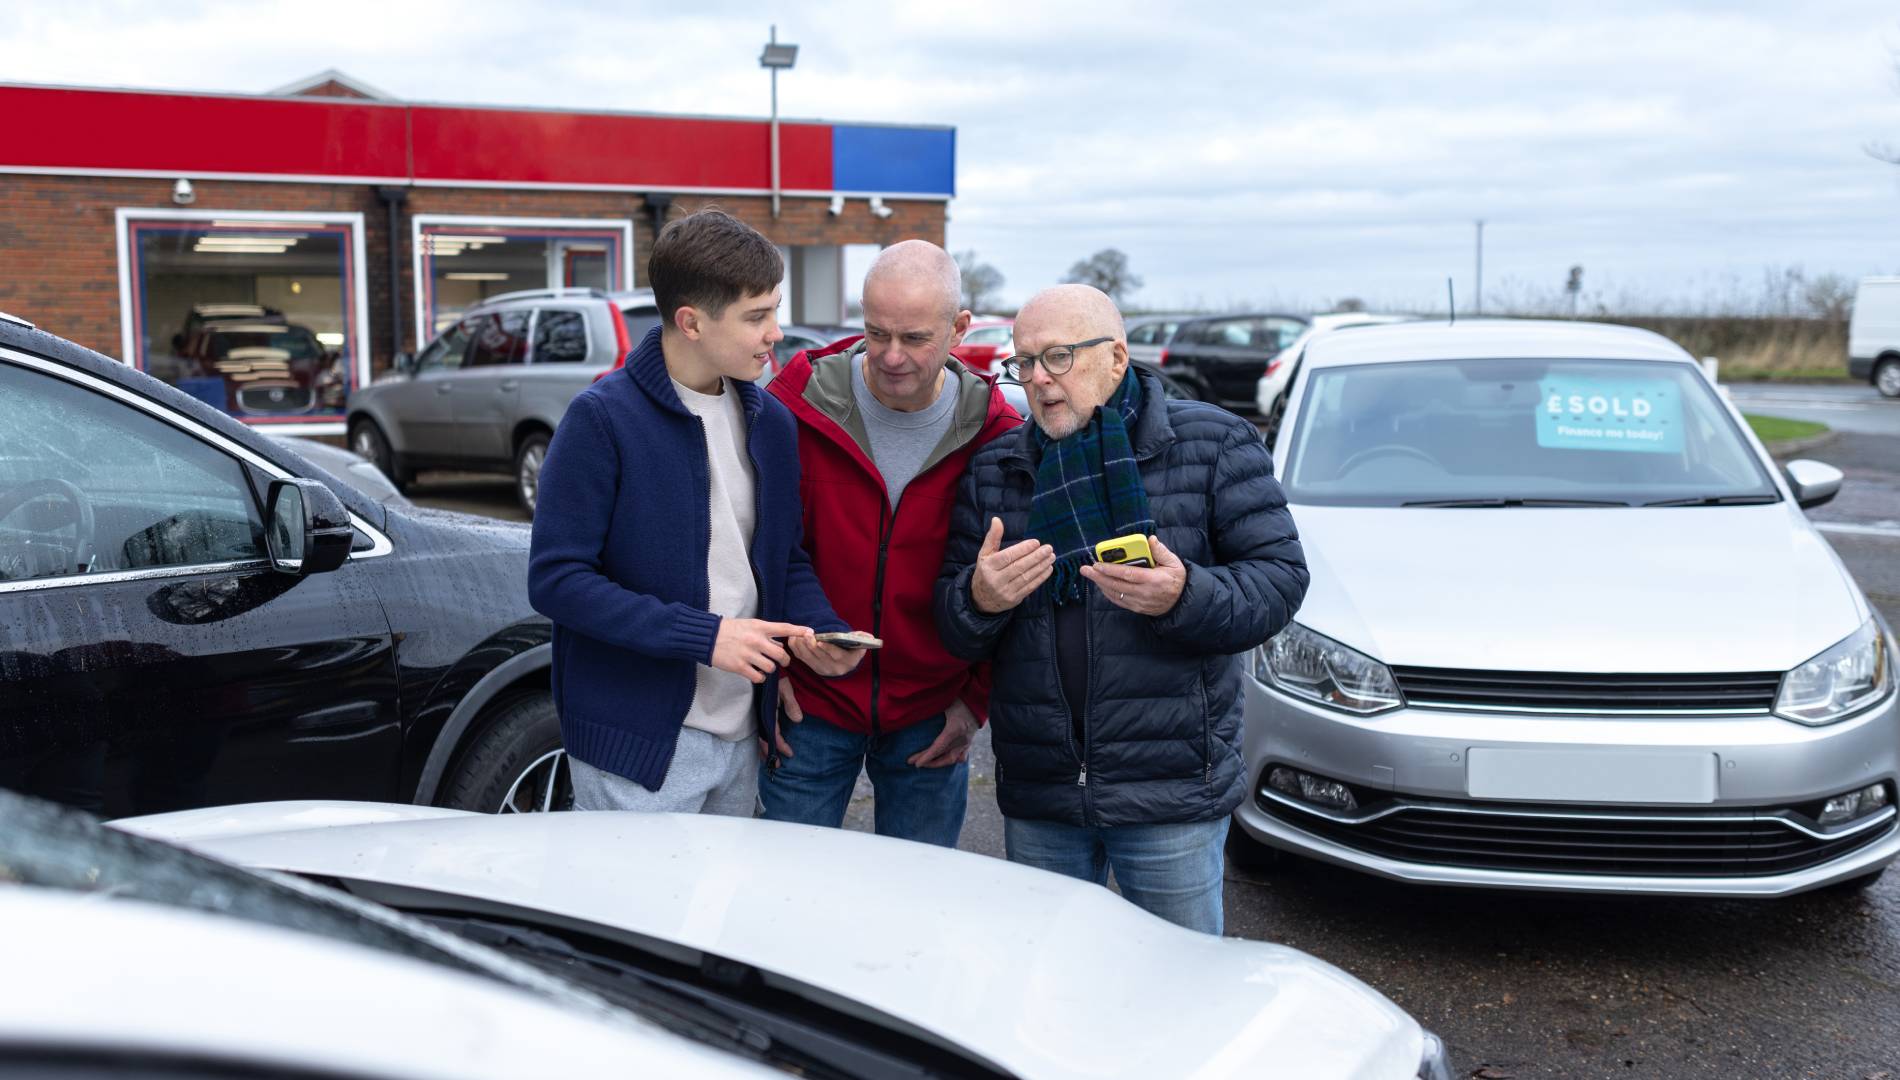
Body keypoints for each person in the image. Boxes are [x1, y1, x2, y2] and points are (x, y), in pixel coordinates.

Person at [933, 284, 1308, 933]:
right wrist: (978, 599)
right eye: (1023, 363)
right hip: (1042, 793)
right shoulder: (1000, 467)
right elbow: (953, 620)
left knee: (1176, 993)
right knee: (1047, 991)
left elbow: (1278, 582)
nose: (1039, 381)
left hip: (1169, 795)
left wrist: (1184, 595)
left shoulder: (1213, 443)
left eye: (1057, 358)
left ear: (1116, 356)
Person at [528, 208, 862, 816]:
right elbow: (557, 582)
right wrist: (704, 637)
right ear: (692, 322)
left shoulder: (772, 422)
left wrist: (815, 628)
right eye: (756, 316)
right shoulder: (601, 419)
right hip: (637, 745)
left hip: (743, 737)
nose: (776, 333)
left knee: (718, 912)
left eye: (775, 310)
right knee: (632, 912)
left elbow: (783, 558)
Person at [760, 240, 1020, 845]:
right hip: (809, 709)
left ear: (959, 329)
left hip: (931, 718)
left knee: (917, 913)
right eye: (876, 333)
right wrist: (771, 673)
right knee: (781, 901)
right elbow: (758, 550)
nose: (891, 357)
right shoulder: (793, 409)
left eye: (914, 338)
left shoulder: (999, 436)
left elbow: (1006, 589)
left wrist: (973, 703)